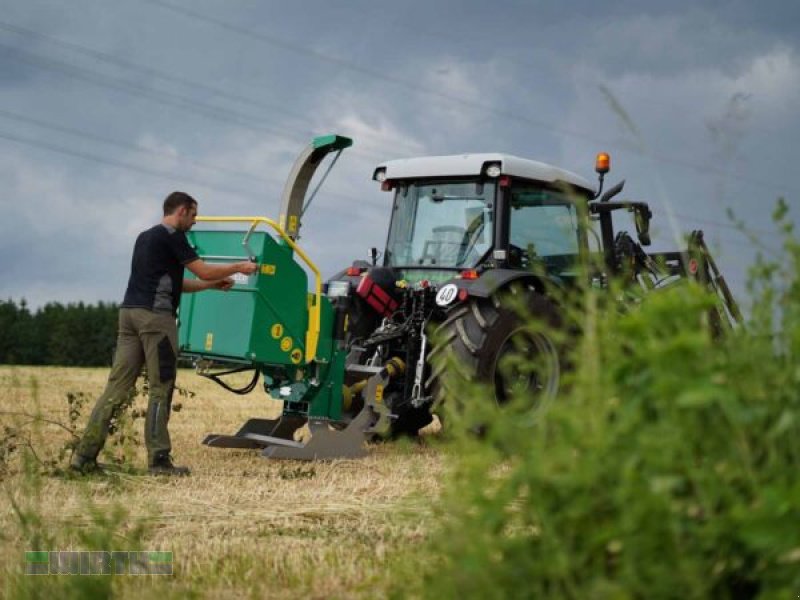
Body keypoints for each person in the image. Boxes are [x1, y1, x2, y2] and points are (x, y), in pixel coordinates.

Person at [70, 191, 258, 476]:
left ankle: (83, 457)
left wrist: (211, 285)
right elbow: (204, 271)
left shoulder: (145, 237)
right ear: (181, 211)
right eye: (193, 215)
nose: (195, 222)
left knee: (116, 388)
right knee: (162, 388)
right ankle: (159, 460)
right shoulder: (173, 236)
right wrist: (238, 266)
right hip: (156, 320)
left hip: (129, 315)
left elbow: (178, 283)